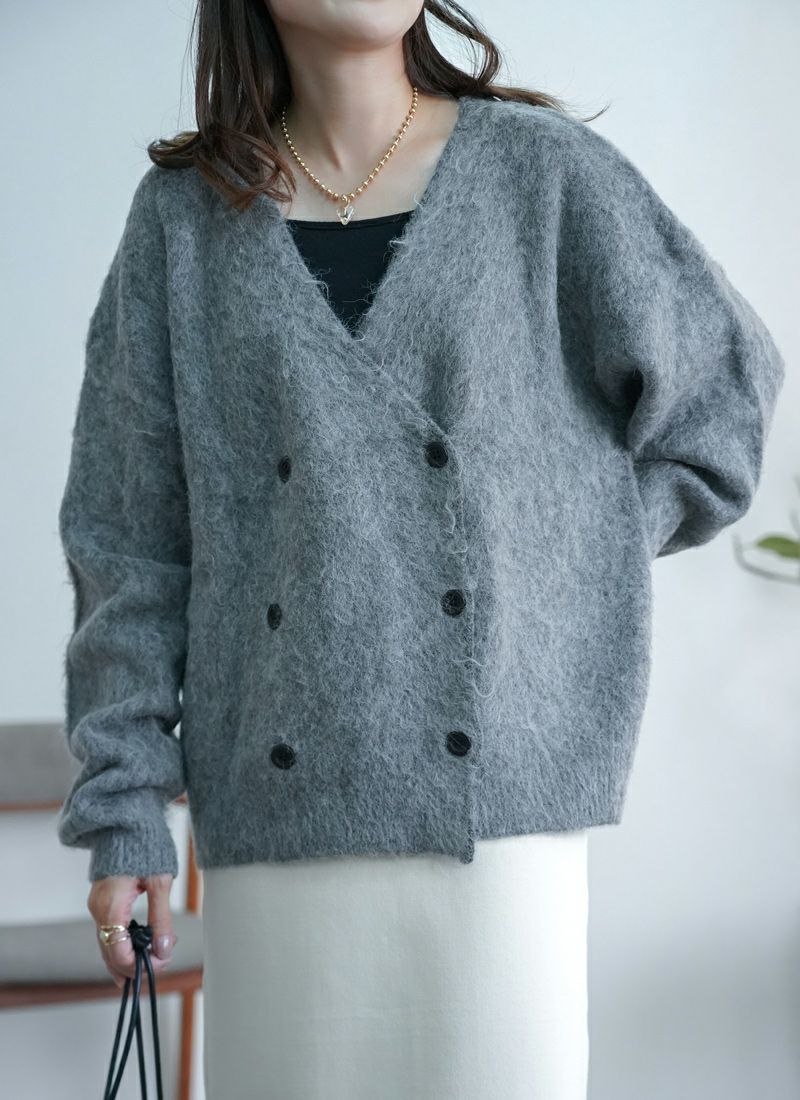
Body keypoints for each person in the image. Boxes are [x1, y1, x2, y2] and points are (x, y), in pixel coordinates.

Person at [56, 3, 786, 1098]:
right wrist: (124, 816)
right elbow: (128, 545)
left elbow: (720, 402)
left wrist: (552, 561)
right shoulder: (184, 221)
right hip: (275, 833)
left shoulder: (542, 174)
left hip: (496, 834)